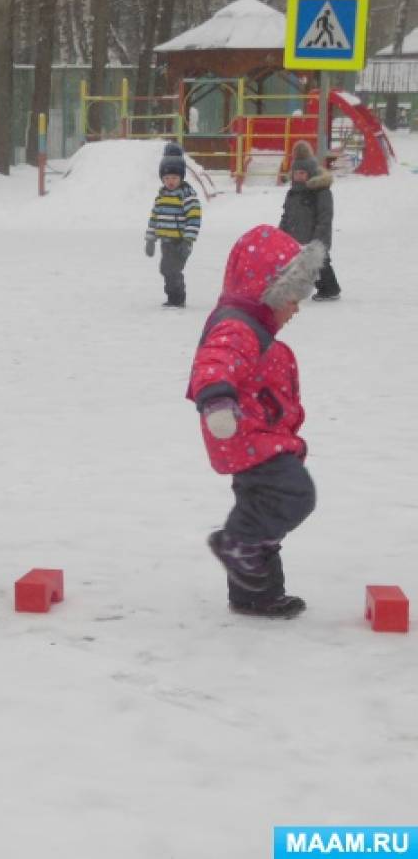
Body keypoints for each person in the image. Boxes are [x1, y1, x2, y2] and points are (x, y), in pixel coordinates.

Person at [187, 225, 325, 619]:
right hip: (245, 434)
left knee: (261, 517)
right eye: (292, 299)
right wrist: (217, 404)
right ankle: (235, 543)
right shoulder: (238, 325)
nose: (296, 308)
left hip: (258, 436)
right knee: (294, 495)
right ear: (270, 291)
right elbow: (214, 363)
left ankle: (255, 595)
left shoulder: (255, 326)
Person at [144, 141, 202, 307]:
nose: (170, 181)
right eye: (167, 178)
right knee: (165, 269)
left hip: (180, 242)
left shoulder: (186, 195)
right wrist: (150, 239)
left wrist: (187, 240)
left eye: (174, 178)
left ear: (181, 177)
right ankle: (172, 297)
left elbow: (194, 218)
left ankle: (177, 298)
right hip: (166, 242)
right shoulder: (161, 196)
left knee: (172, 269)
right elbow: (154, 218)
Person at [279, 140, 338, 301]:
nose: (299, 177)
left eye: (303, 173)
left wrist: (319, 237)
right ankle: (294, 289)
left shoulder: (320, 192)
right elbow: (287, 214)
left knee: (320, 262)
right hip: (295, 233)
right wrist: (281, 231)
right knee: (298, 263)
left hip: (316, 235)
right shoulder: (293, 192)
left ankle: (330, 289)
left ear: (310, 173)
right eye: (296, 173)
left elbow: (325, 216)